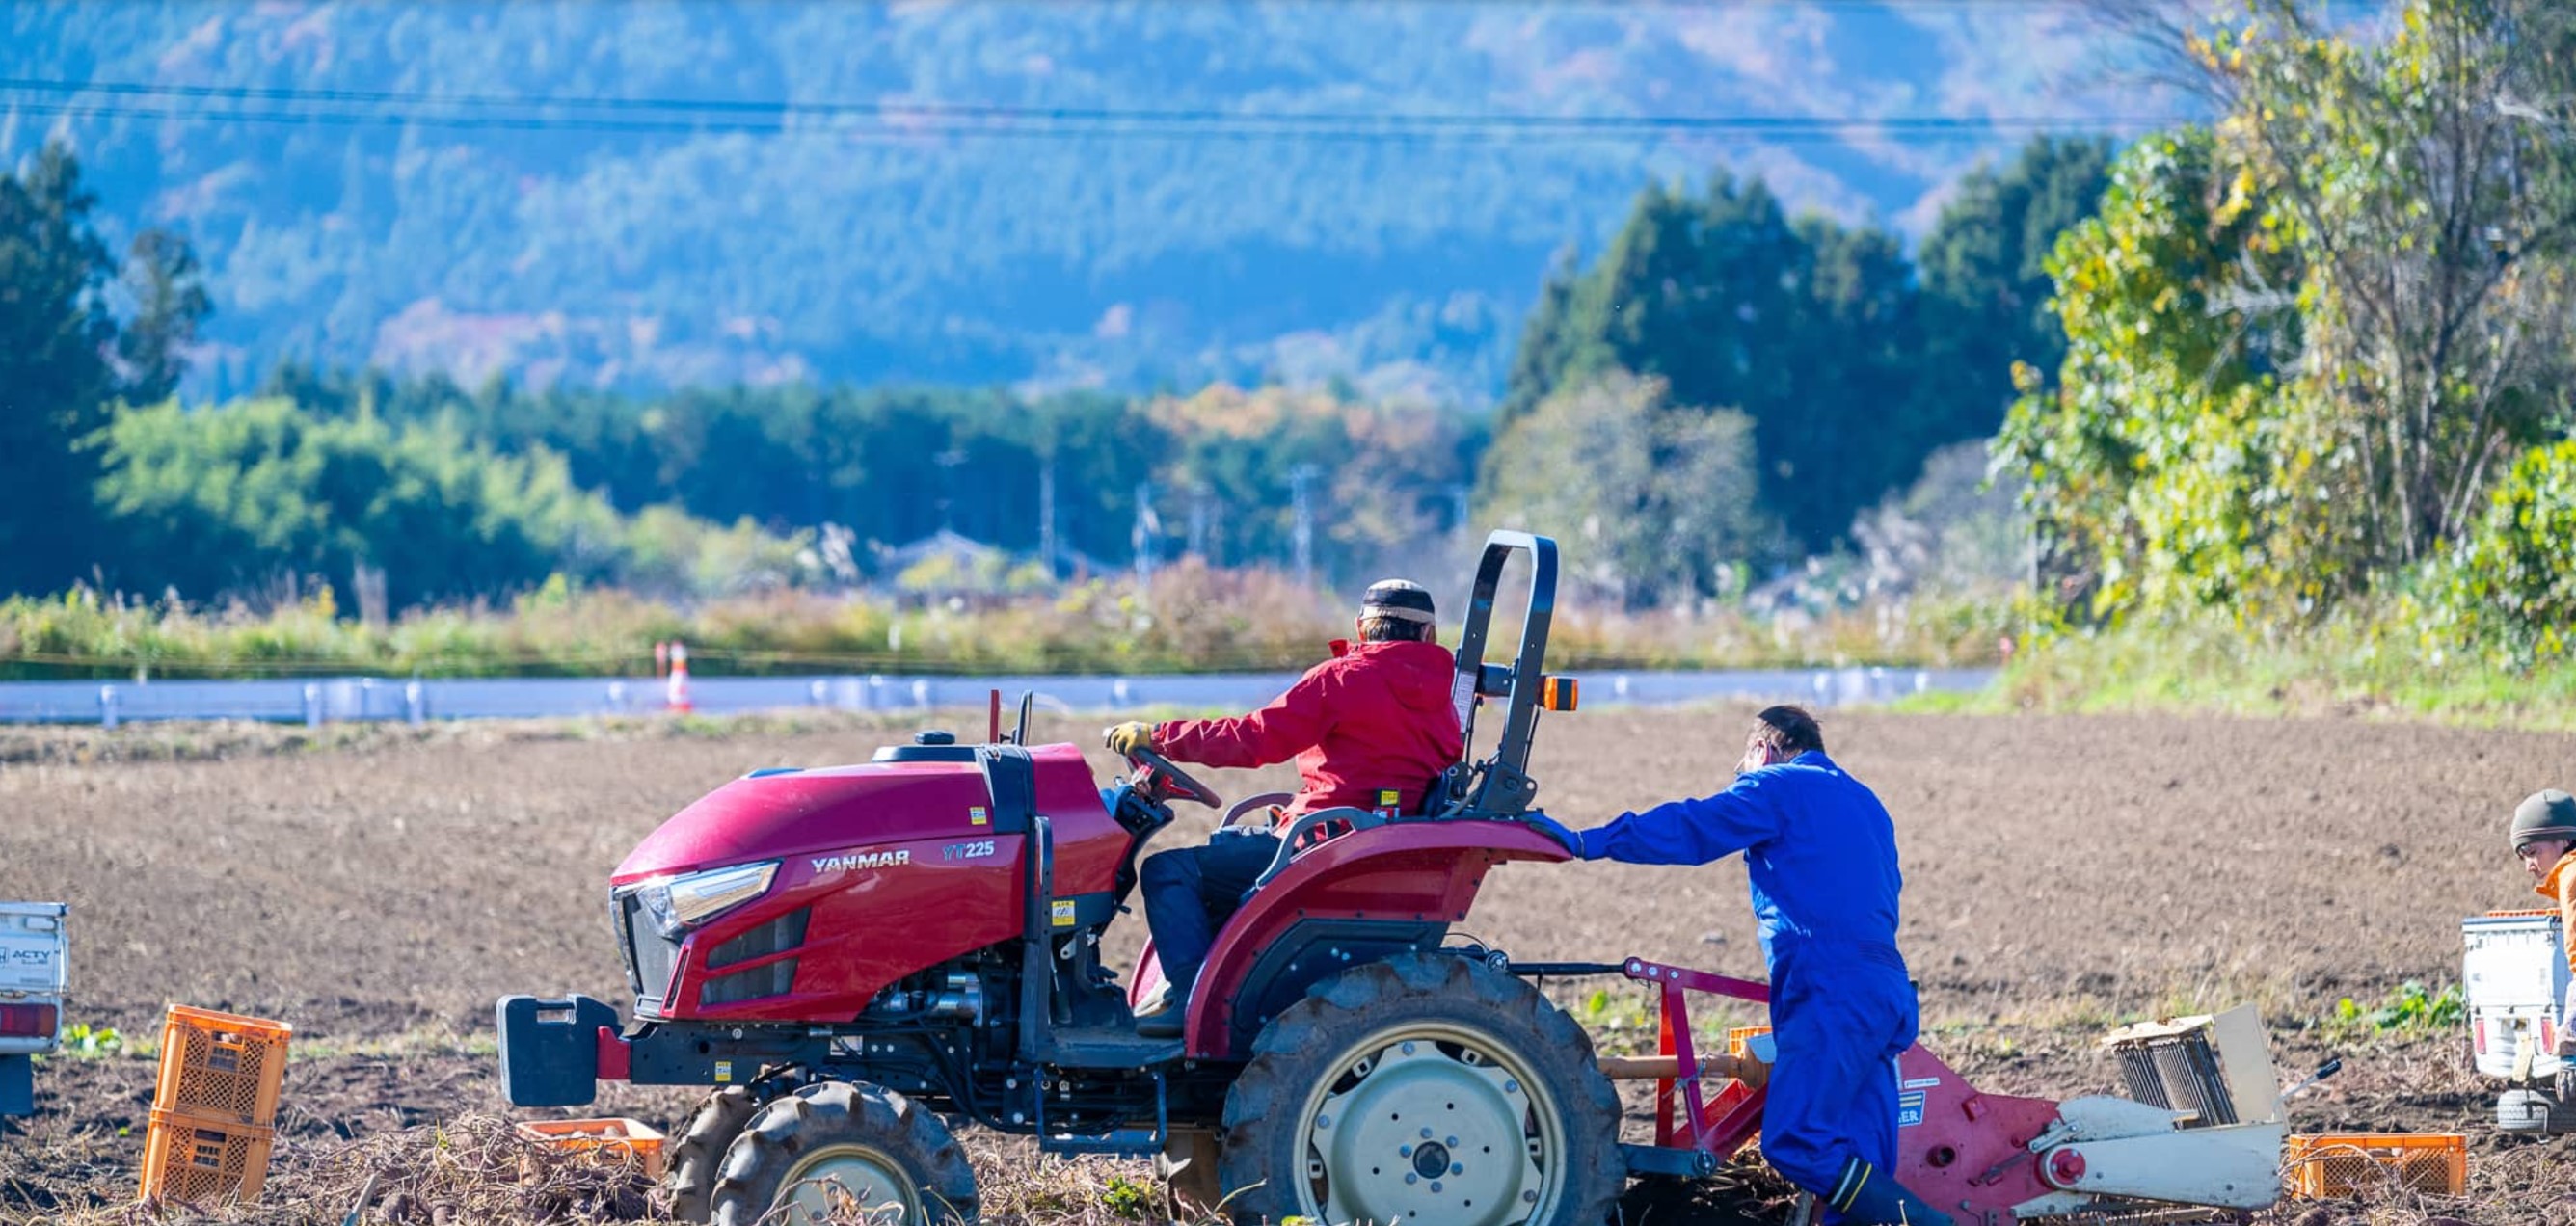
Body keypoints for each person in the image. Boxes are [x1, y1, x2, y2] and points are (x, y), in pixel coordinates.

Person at [1528, 706, 1952, 1226]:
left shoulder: (1776, 786)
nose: (1741, 782)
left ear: (1762, 751)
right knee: (1858, 1165)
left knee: (1796, 1144)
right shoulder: (1868, 803)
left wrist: (1585, 842)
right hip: (1886, 992)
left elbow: (1692, 828)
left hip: (1830, 992)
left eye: (1741, 771)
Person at [1104, 579, 1465, 1038]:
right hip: (1372, 841)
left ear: (1360, 626)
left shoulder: (1341, 679)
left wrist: (1159, 737)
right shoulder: (1447, 697)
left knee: (1168, 871)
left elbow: (1253, 738)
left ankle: (1196, 1003)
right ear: (1430, 636)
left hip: (1322, 845)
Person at [2509, 789, 2576, 1056]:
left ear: (2564, 839)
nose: (2528, 865)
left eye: (2531, 851)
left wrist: (2571, 1039)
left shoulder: (2572, 877)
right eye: (2521, 856)